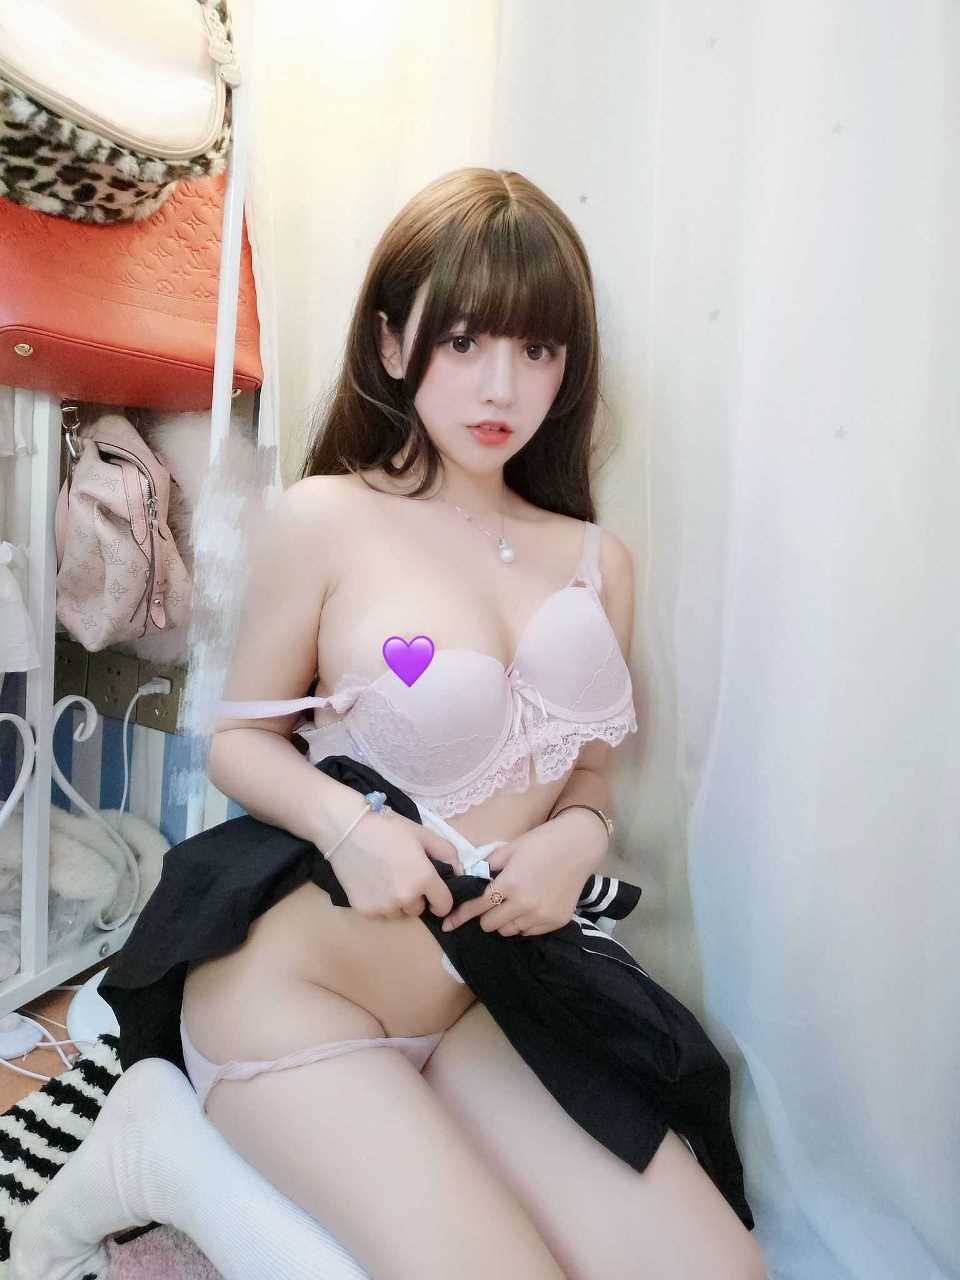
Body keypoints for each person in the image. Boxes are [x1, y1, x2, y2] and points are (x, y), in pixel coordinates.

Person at [10, 167, 765, 1280]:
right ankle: (156, 1150)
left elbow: (590, 770)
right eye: (463, 341)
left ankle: (207, 1161)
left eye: (538, 348)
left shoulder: (598, 562)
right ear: (393, 342)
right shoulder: (327, 518)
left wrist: (579, 835)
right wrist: (350, 824)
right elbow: (241, 742)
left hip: (486, 992)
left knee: (720, 1272)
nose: (502, 384)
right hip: (301, 985)